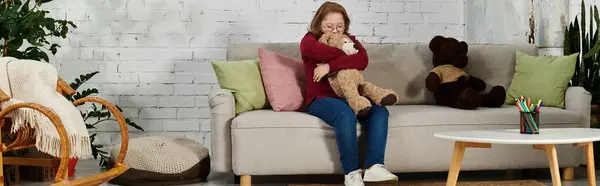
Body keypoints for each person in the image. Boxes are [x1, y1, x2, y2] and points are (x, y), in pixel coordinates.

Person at [299, 1, 398, 186]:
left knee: (380, 111)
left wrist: (330, 66)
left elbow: (363, 59)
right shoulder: (309, 40)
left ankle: (374, 167)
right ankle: (351, 173)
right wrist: (347, 54)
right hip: (320, 100)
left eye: (340, 26)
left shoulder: (350, 39)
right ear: (318, 23)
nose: (335, 31)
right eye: (329, 26)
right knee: (345, 116)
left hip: (352, 98)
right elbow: (319, 51)